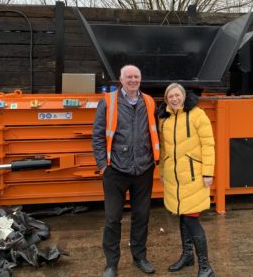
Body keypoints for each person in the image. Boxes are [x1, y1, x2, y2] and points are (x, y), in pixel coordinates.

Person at [92, 65, 160, 277]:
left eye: (136, 77)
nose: (133, 80)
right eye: (128, 76)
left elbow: (155, 131)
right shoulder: (108, 101)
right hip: (116, 171)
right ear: (120, 79)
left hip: (143, 169)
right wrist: (103, 165)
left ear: (140, 79)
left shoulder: (148, 101)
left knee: (141, 216)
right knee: (113, 218)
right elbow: (98, 135)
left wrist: (154, 159)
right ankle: (111, 263)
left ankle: (140, 257)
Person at [158, 83, 215, 277]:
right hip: (174, 178)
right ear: (166, 100)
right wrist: (162, 172)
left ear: (184, 96)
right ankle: (187, 255)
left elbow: (208, 144)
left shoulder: (197, 114)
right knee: (182, 216)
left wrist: (208, 172)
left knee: (191, 220)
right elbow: (164, 150)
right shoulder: (164, 120)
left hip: (194, 177)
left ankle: (206, 266)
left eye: (177, 95)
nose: (174, 99)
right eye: (170, 96)